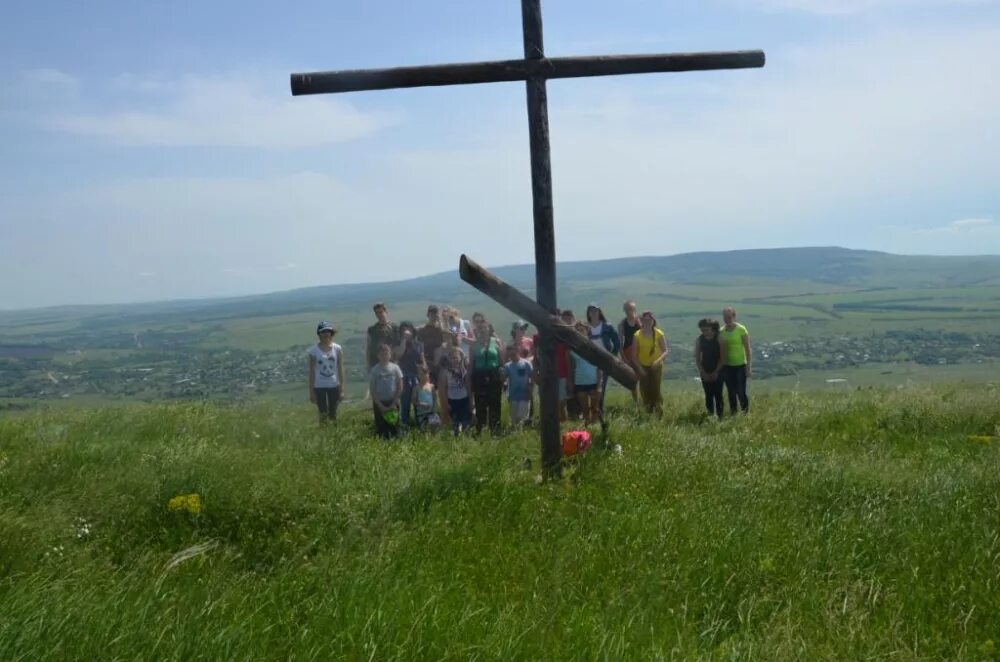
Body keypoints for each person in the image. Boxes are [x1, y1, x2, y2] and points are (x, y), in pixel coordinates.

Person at [584, 302, 621, 420]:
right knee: (588, 388)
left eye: (595, 311)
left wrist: (612, 356)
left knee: (601, 389)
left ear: (599, 312)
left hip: (604, 362)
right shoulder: (586, 327)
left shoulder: (607, 326)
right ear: (588, 313)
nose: (594, 313)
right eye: (591, 311)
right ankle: (589, 415)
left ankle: (599, 413)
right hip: (589, 362)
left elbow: (617, 342)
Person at [470, 314, 504, 435]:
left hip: (494, 375)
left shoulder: (496, 342)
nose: (483, 330)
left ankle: (495, 430)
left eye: (485, 328)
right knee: (480, 405)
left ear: (489, 329)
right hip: (479, 376)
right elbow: (471, 366)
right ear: (477, 330)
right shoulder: (474, 345)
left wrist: (502, 378)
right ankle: (481, 430)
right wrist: (470, 382)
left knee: (495, 404)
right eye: (480, 328)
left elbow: (501, 361)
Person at [307, 321, 345, 424]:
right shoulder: (313, 351)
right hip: (319, 386)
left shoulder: (337, 349)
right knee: (323, 414)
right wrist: (311, 392)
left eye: (328, 331)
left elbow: (340, 368)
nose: (326, 334)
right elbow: (312, 372)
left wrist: (341, 389)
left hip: (334, 385)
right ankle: (324, 434)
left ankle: (334, 434)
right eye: (323, 332)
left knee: (333, 413)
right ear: (319, 334)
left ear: (331, 333)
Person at [632, 310, 668, 415]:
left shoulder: (659, 333)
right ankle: (648, 412)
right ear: (641, 320)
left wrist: (658, 361)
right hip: (643, 366)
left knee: (656, 390)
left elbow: (665, 351)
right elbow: (634, 355)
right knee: (645, 391)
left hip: (656, 366)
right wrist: (639, 369)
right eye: (645, 319)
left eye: (649, 319)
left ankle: (659, 413)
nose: (647, 321)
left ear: (653, 321)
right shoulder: (637, 335)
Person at [719, 306, 751, 414]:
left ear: (734, 316)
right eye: (724, 317)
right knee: (731, 392)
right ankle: (733, 414)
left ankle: (745, 413)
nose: (726, 319)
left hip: (740, 365)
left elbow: (747, 349)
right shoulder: (721, 331)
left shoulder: (741, 329)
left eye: (728, 317)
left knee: (741, 392)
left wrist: (748, 366)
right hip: (727, 366)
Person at [393, 321, 426, 427]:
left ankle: (420, 424)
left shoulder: (419, 344)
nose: (406, 331)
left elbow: (422, 358)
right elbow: (398, 355)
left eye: (408, 329)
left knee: (419, 403)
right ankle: (405, 424)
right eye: (403, 329)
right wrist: (403, 340)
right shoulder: (398, 344)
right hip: (404, 376)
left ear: (413, 331)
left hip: (417, 376)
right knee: (405, 402)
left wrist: (425, 372)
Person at [570, 322, 603, 426]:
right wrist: (571, 382)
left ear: (587, 331)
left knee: (595, 409)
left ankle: (596, 429)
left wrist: (599, 385)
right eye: (578, 330)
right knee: (585, 410)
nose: (580, 332)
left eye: (582, 330)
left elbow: (599, 367)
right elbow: (572, 367)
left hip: (593, 381)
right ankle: (587, 431)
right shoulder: (573, 348)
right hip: (580, 381)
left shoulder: (594, 346)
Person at [368, 343, 403, 439]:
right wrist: (381, 406)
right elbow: (373, 390)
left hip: (393, 402)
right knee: (382, 428)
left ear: (390, 355)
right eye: (382, 354)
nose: (384, 356)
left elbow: (400, 386)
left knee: (395, 427)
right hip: (380, 403)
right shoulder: (374, 370)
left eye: (386, 353)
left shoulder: (395, 368)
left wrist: (394, 402)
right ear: (378, 356)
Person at [439, 346, 473, 435]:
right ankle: (456, 439)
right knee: (455, 423)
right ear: (449, 359)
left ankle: (466, 438)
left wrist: (470, 401)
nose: (455, 360)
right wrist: (446, 403)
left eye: (457, 358)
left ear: (461, 358)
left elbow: (468, 387)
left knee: (465, 422)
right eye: (453, 358)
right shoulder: (446, 372)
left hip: (463, 399)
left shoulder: (464, 371)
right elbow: (443, 389)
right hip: (452, 400)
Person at [694, 318, 723, 418]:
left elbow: (723, 357)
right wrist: (703, 372)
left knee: (718, 394)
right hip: (705, 369)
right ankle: (710, 415)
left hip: (719, 370)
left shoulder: (719, 338)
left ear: (712, 328)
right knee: (708, 394)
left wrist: (716, 371)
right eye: (702, 330)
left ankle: (720, 417)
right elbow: (697, 358)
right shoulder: (699, 340)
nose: (704, 332)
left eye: (707, 330)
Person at [503, 345, 534, 429]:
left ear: (517, 351)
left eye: (513, 353)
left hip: (525, 396)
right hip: (513, 396)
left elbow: (532, 377)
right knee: (514, 420)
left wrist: (530, 391)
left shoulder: (526, 363)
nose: (511, 356)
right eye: (510, 355)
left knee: (522, 419)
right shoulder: (507, 366)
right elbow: (503, 379)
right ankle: (515, 436)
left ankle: (520, 435)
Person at [618, 300, 642, 403]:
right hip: (628, 352)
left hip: (640, 352)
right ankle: (637, 402)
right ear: (624, 310)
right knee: (633, 379)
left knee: (644, 376)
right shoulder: (622, 324)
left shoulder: (641, 321)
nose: (630, 311)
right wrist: (623, 358)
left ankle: (646, 400)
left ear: (635, 309)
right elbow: (620, 343)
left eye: (631, 309)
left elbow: (647, 335)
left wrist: (640, 324)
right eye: (627, 309)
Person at [366, 302, 399, 370]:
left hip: (391, 364)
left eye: (381, 312)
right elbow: (369, 348)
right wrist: (368, 364)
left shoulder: (394, 327)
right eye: (377, 313)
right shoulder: (372, 329)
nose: (379, 315)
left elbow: (397, 346)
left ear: (386, 312)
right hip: (375, 363)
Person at [417, 305, 446, 379]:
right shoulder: (422, 330)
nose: (434, 316)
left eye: (436, 314)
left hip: (440, 362)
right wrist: (423, 361)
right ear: (428, 315)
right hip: (427, 361)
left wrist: (440, 322)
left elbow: (446, 340)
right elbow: (420, 346)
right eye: (432, 314)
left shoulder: (441, 329)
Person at [411, 366, 440, 431]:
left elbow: (435, 398)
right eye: (421, 374)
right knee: (425, 429)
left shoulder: (431, 386)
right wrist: (421, 404)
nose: (423, 376)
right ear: (418, 375)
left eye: (425, 374)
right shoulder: (416, 388)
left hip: (431, 412)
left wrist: (434, 408)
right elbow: (413, 401)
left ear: (428, 375)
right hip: (421, 413)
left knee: (436, 426)